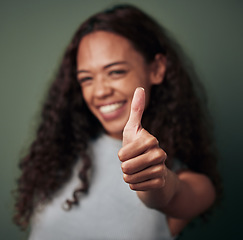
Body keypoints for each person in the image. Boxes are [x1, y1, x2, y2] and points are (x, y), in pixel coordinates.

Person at [13, 3, 221, 240]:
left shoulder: (193, 184)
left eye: (116, 72)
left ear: (157, 69)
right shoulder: (58, 158)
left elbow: (172, 194)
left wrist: (153, 181)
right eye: (86, 78)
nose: (99, 91)